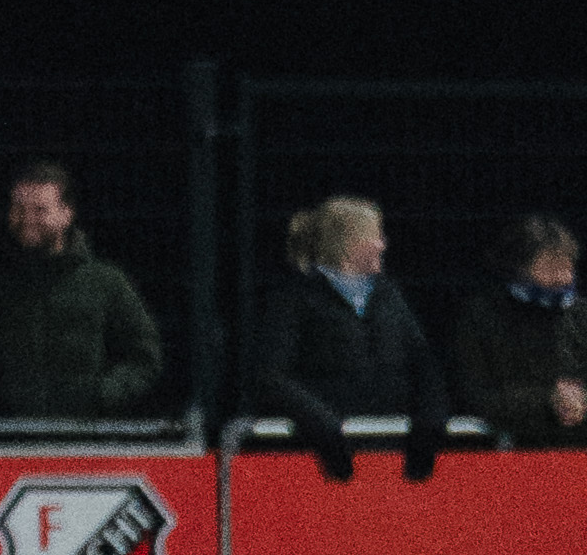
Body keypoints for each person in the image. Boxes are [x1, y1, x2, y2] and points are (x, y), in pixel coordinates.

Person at [0, 166, 166, 423]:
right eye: (19, 209)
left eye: (40, 210)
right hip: (7, 441)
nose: (27, 219)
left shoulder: (106, 282)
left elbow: (144, 358)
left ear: (67, 213)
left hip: (87, 442)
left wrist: (101, 396)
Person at [251, 198, 447, 483]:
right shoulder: (294, 298)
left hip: (393, 461)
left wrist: (430, 420)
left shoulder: (389, 296)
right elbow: (271, 376)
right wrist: (323, 426)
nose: (383, 245)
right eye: (375, 236)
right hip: (321, 468)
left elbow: (424, 365)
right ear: (348, 242)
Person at [449, 215, 587, 449]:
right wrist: (548, 401)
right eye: (551, 267)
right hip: (515, 454)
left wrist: (581, 398)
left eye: (567, 266)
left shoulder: (581, 315)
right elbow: (474, 395)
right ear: (521, 268)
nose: (563, 277)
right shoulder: (482, 317)